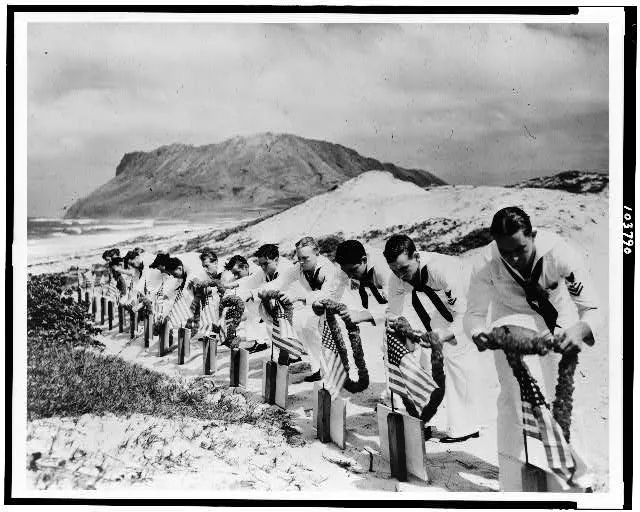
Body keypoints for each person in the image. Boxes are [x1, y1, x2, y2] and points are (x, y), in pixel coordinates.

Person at [463, 206, 602, 491]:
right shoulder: (484, 263)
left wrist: (579, 330)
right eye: (506, 251)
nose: (514, 257)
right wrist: (477, 334)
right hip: (510, 320)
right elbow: (474, 315)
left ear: (533, 235)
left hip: (557, 318)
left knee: (562, 395)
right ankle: (513, 478)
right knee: (513, 399)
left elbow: (593, 308)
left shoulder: (559, 253)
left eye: (521, 249)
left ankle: (578, 474)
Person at [383, 234, 481, 443]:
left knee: (455, 356)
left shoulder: (442, 269)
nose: (400, 276)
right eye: (394, 270)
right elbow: (393, 311)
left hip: (472, 301)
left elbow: (464, 315)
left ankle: (465, 427)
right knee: (421, 354)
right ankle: (420, 418)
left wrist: (444, 335)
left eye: (404, 269)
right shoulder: (397, 276)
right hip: (443, 306)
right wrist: (398, 324)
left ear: (416, 256)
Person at [255, 236, 349, 381]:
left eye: (305, 258)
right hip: (317, 305)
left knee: (332, 337)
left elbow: (327, 295)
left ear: (317, 253)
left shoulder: (329, 270)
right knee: (305, 327)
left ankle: (339, 370)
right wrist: (258, 291)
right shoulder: (300, 266)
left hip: (342, 305)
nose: (301, 261)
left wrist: (300, 296)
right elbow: (281, 281)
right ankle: (318, 369)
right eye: (299, 258)